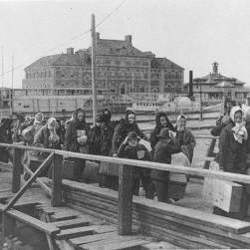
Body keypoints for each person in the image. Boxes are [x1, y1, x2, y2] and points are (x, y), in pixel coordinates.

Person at [216, 106, 248, 219]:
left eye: (240, 117)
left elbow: (244, 148)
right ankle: (226, 214)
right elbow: (222, 149)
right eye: (236, 117)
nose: (238, 119)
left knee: (243, 190)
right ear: (232, 117)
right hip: (229, 164)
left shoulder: (243, 130)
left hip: (240, 165)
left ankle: (240, 215)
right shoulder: (227, 130)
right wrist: (221, 166)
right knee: (229, 190)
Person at [117, 131, 154, 198]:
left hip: (144, 171)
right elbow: (119, 154)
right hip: (133, 173)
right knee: (133, 191)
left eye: (135, 140)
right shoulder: (127, 149)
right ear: (128, 141)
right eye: (131, 140)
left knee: (148, 189)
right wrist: (123, 144)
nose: (133, 142)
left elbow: (149, 157)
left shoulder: (141, 147)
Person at [151, 128, 181, 203]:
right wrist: (174, 138)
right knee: (162, 198)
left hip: (156, 173)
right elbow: (178, 149)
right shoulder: (165, 146)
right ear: (167, 138)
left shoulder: (158, 144)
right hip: (161, 175)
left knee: (161, 194)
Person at [65, 109, 90, 180]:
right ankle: (75, 178)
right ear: (76, 116)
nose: (81, 118)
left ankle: (79, 177)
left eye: (82, 116)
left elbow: (89, 135)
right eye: (79, 116)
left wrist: (86, 139)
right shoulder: (71, 125)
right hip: (74, 148)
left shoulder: (85, 125)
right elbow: (67, 138)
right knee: (75, 165)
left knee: (82, 164)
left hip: (83, 148)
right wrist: (66, 151)